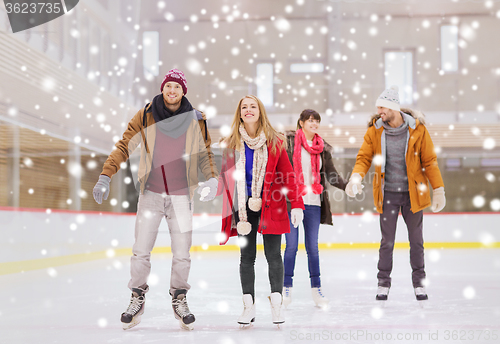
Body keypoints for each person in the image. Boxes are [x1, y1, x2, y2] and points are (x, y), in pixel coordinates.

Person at [92, 68, 219, 330]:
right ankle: (137, 297)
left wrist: (212, 177)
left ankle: (179, 298)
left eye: (177, 87)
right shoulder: (147, 114)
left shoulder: (196, 119)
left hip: (182, 195)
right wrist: (106, 175)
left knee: (182, 254)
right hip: (151, 193)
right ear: (163, 88)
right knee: (140, 251)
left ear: (184, 92)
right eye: (169, 86)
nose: (172, 91)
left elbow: (205, 153)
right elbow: (125, 144)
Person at [345, 86, 446, 301]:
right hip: (387, 194)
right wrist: (356, 177)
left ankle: (419, 284)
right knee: (387, 242)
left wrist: (438, 189)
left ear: (393, 107)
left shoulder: (418, 130)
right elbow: (364, 158)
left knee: (416, 240)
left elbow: (429, 161)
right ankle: (383, 283)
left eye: (382, 106)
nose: (379, 110)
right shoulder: (375, 130)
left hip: (413, 195)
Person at [216, 95, 304, 326]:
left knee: (274, 256)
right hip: (244, 210)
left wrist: (296, 203)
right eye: (244, 107)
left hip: (271, 207)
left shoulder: (275, 141)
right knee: (247, 258)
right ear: (240, 113)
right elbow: (226, 178)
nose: (248, 110)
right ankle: (249, 307)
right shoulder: (232, 143)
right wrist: (212, 187)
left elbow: (288, 175)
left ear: (260, 111)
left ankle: (276, 307)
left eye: (252, 106)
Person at [282, 109, 347, 308]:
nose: (314, 123)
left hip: (314, 203)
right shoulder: (289, 143)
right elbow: (283, 171)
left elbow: (331, 174)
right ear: (301, 123)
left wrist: (348, 186)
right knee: (291, 247)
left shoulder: (322, 148)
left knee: (313, 248)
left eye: (316, 120)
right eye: (310, 120)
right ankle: (286, 289)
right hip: (293, 202)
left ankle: (316, 290)